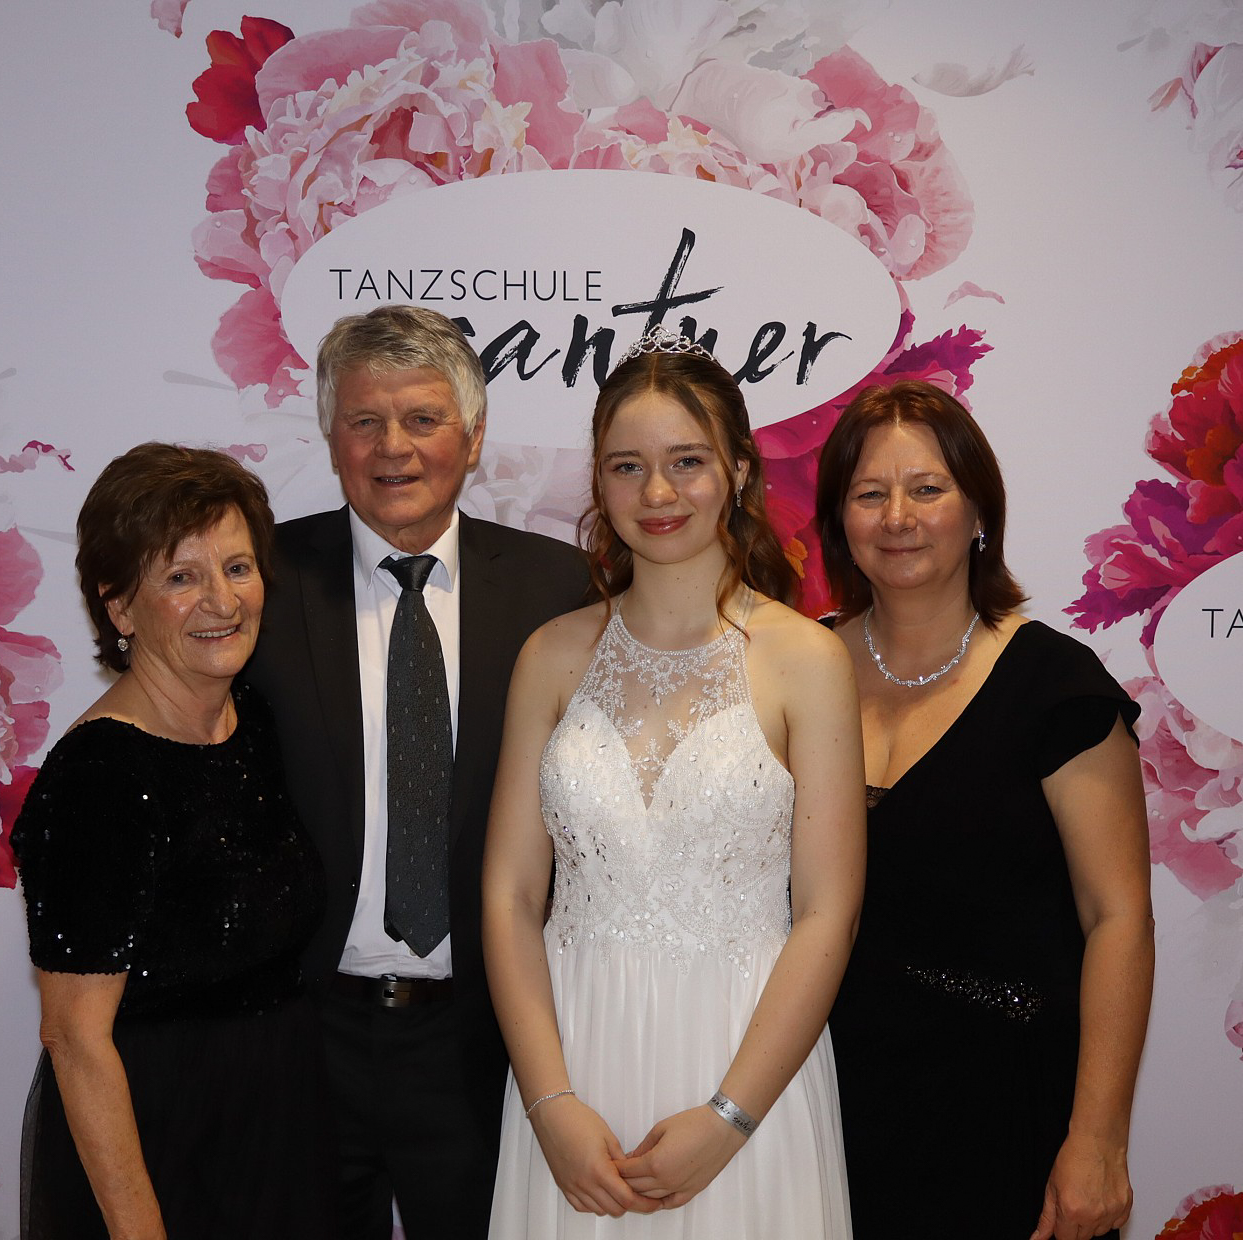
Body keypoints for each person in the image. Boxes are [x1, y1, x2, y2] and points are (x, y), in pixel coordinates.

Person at [482, 327, 865, 1238]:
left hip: (747, 1066)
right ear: (599, 481)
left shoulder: (807, 660)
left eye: (686, 461)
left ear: (738, 471)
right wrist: (549, 1103)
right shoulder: (550, 656)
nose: (657, 493)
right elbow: (509, 895)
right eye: (628, 467)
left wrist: (729, 1117)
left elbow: (828, 911)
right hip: (573, 1063)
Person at [243, 304, 588, 1239]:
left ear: (472, 437)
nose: (392, 447)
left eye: (423, 419)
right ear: (330, 437)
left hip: (483, 1038)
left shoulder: (561, 591)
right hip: (304, 1035)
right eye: (364, 420)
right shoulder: (258, 581)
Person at [812, 380, 1154, 1240]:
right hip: (818, 1114)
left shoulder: (1056, 687)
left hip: (1009, 1120)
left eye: (927, 488)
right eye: (869, 493)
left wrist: (1098, 1140)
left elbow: (1117, 917)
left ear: (978, 512)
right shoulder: (794, 671)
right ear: (840, 522)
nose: (898, 517)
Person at [12, 443, 332, 1240]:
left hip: (275, 1134)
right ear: (120, 608)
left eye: (238, 568)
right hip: (157, 1146)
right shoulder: (99, 776)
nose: (222, 600)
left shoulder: (250, 722)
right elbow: (74, 1038)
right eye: (182, 577)